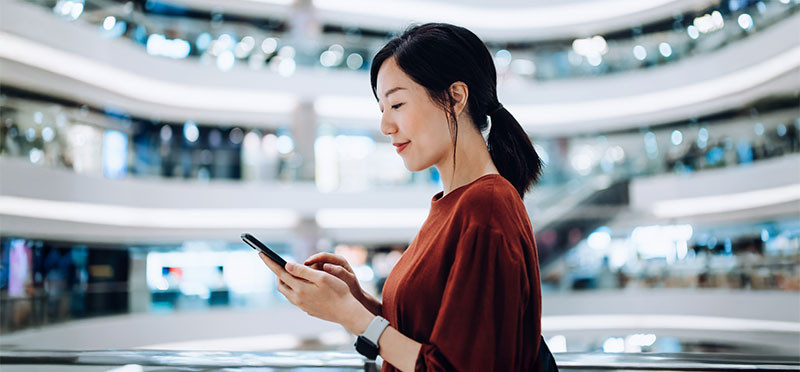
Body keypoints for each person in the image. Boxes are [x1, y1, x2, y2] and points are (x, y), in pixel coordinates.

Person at [260, 23, 555, 371]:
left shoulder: (485, 206)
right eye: (382, 109)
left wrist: (352, 316)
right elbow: (427, 337)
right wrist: (355, 298)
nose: (386, 126)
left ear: (456, 97)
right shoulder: (453, 203)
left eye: (397, 104)